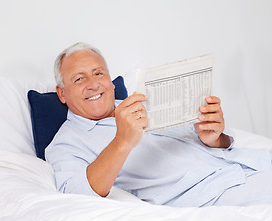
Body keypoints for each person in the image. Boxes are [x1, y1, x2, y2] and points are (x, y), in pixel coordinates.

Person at [45, 42, 272, 207]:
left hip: (247, 162)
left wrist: (214, 138)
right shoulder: (65, 144)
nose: (93, 84)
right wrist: (121, 142)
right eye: (79, 78)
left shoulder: (145, 98)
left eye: (98, 73)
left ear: (110, 80)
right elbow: (75, 194)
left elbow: (222, 142)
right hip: (214, 191)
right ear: (62, 93)